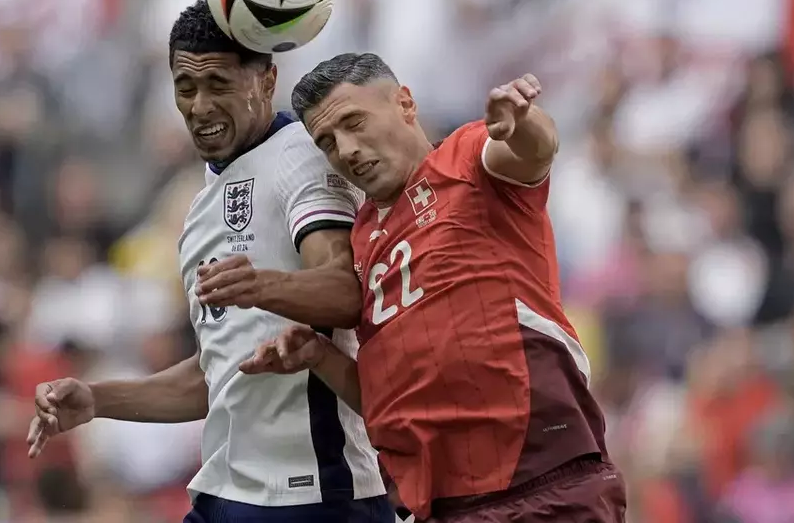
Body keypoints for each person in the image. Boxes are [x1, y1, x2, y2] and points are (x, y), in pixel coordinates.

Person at [203, 53, 626, 522]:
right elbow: (390, 404)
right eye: (327, 141)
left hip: (539, 481)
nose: (345, 149)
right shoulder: (362, 238)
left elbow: (534, 151)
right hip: (437, 504)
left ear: (405, 103)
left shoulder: (464, 160)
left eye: (354, 121)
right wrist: (320, 358)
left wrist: (522, 121)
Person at [25, 3, 395, 523]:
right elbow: (218, 374)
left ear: (266, 81)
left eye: (218, 84)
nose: (199, 106)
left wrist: (261, 286)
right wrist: (97, 399)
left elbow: (345, 289)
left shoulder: (300, 156)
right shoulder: (201, 205)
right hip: (228, 491)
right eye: (185, 87)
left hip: (312, 495)